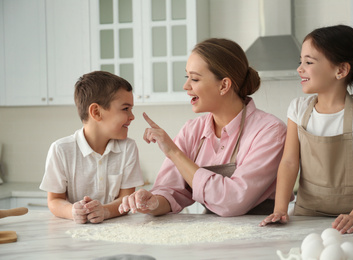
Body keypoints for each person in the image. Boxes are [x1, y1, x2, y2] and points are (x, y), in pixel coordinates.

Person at [118, 38, 287, 217]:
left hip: (261, 231)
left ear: (224, 85)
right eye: (187, 77)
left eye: (195, 79)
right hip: (212, 231)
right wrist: (151, 202)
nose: (186, 86)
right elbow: (170, 191)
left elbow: (233, 201)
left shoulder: (270, 131)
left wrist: (174, 153)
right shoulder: (192, 130)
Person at [260, 25, 353, 234]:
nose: (300, 68)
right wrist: (280, 208)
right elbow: (290, 162)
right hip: (307, 215)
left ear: (341, 70)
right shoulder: (298, 109)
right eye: (300, 61)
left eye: (308, 62)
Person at [40, 71, 144, 224]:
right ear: (96, 112)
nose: (132, 116)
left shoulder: (128, 148)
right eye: (125, 109)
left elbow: (126, 199)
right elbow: (54, 200)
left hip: (118, 231)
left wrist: (105, 211)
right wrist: (72, 211)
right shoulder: (61, 150)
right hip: (73, 234)